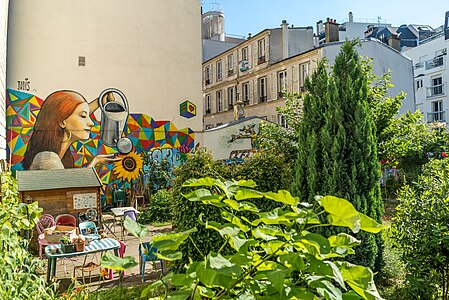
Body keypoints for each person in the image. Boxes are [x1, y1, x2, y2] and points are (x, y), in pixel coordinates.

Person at [22, 90, 121, 170]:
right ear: (62, 122)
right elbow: (71, 188)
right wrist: (95, 162)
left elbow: (75, 111)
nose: (91, 123)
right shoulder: (48, 159)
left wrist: (100, 100)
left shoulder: (59, 156)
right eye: (83, 116)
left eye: (88, 115)